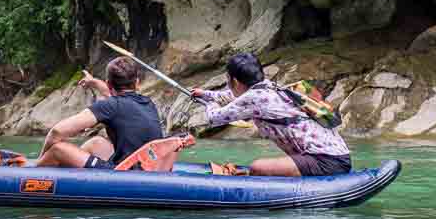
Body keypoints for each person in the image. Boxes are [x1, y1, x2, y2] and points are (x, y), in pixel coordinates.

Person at [191, 53, 351, 177]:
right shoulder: (269, 87)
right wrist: (205, 94)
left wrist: (208, 103)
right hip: (338, 156)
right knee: (260, 167)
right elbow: (234, 97)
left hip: (326, 161)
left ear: (235, 81)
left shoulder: (254, 97)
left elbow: (214, 118)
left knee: (258, 167)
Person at [34, 56, 162, 169]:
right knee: (96, 143)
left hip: (126, 174)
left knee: (58, 150)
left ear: (109, 84)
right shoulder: (148, 103)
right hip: (149, 167)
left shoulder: (110, 106)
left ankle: (34, 174)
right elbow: (112, 94)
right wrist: (94, 82)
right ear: (137, 83)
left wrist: (42, 158)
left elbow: (57, 132)